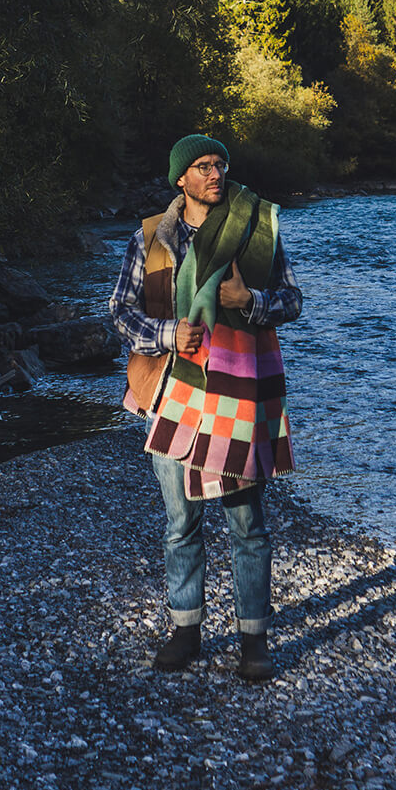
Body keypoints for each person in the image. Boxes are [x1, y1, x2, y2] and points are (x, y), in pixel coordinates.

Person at [110, 134, 302, 679]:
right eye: (202, 166)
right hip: (170, 392)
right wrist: (172, 334)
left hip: (237, 396)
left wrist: (251, 302)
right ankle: (186, 630)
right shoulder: (151, 236)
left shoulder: (256, 226)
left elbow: (292, 299)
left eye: (220, 164)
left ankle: (253, 642)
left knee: (248, 525)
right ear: (181, 178)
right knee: (181, 522)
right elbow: (120, 313)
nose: (216, 173)